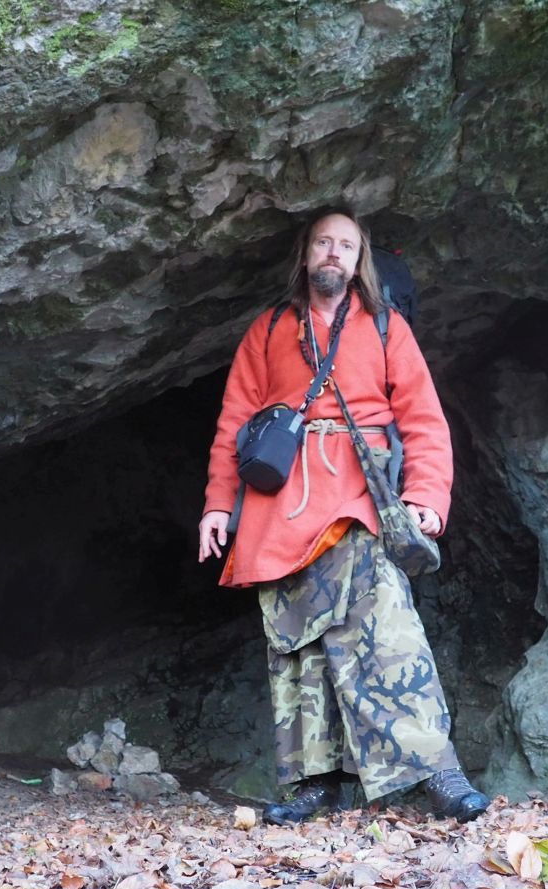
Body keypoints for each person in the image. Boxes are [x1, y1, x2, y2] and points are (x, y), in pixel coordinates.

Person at [197, 209, 489, 825]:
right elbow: (234, 425)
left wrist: (426, 500)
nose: (334, 254)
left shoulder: (385, 328)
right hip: (281, 508)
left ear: (360, 263)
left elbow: (424, 421)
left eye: (346, 247)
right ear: (306, 255)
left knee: (389, 625)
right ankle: (316, 785)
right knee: (297, 645)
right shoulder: (270, 328)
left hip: (360, 497)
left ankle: (439, 774)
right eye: (324, 243)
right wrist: (218, 507)